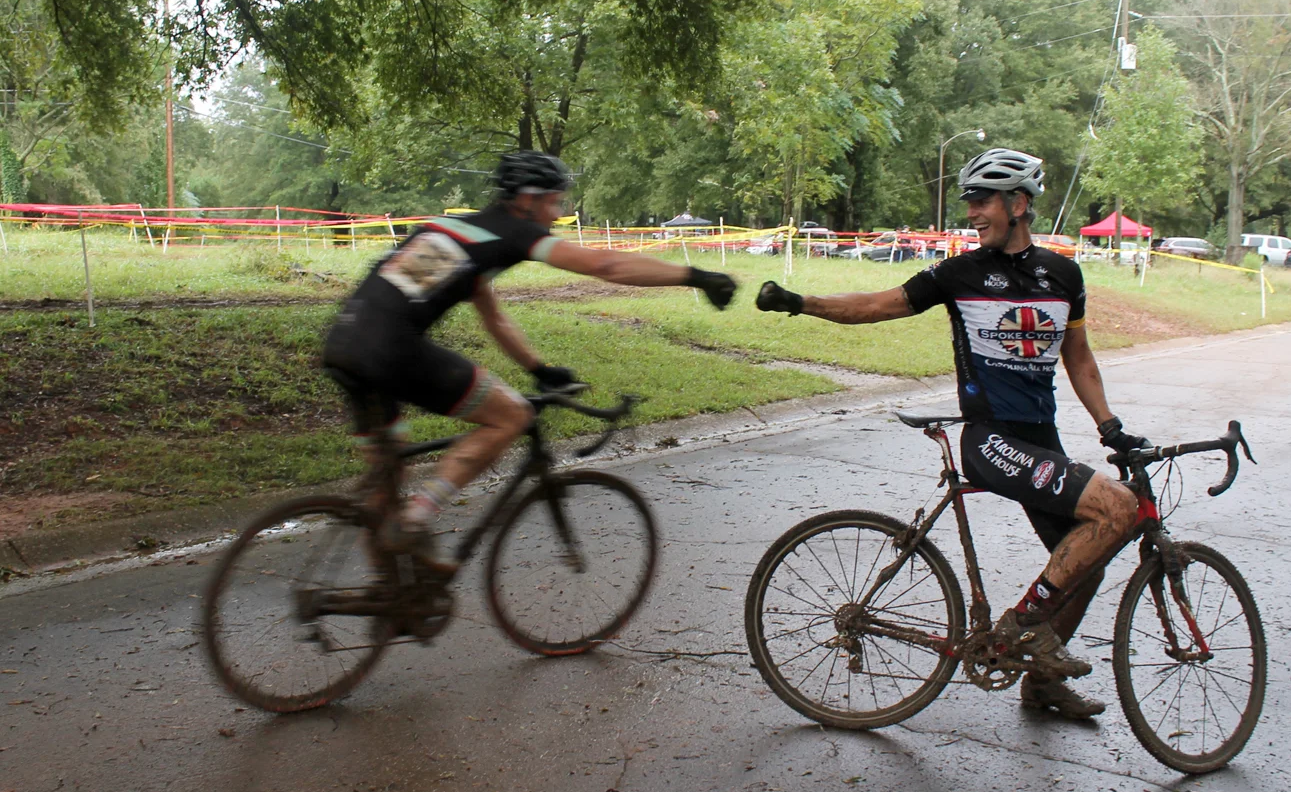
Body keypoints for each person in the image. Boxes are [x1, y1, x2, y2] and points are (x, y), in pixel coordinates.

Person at [755, 147, 1145, 720]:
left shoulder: (1064, 274)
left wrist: (1110, 428)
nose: (972, 213)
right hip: (992, 440)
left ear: (1018, 203)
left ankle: (1039, 682)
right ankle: (1021, 629)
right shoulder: (959, 273)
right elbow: (876, 304)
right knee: (1118, 509)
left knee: (1087, 558)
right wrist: (800, 303)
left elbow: (1079, 359)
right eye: (969, 202)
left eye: (982, 201)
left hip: (1042, 439)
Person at [323, 151, 736, 576]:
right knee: (511, 415)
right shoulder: (513, 232)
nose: (559, 214)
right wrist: (695, 276)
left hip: (344, 344)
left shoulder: (458, 232)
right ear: (528, 200)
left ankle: (385, 596)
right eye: (555, 202)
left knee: (386, 479)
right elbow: (605, 265)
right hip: (391, 348)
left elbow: (494, 316)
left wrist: (539, 369)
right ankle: (417, 518)